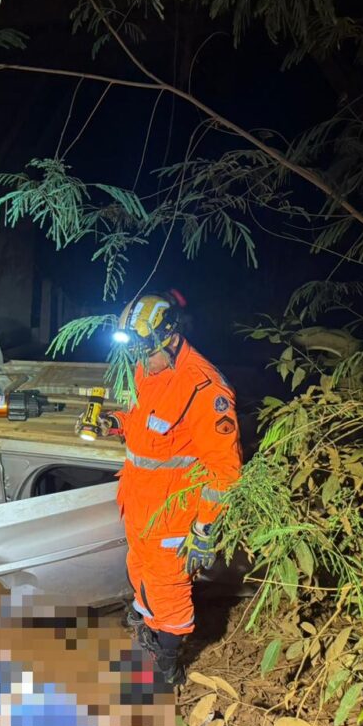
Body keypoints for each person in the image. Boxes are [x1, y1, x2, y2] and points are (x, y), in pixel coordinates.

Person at [83, 290, 242, 685]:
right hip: (139, 503)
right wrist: (114, 424)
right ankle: (148, 628)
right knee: (140, 571)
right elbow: (143, 420)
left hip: (174, 515)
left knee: (169, 591)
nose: (140, 362)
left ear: (170, 338)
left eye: (145, 353)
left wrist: (204, 529)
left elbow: (225, 471)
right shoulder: (148, 367)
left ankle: (166, 666)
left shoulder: (204, 388)